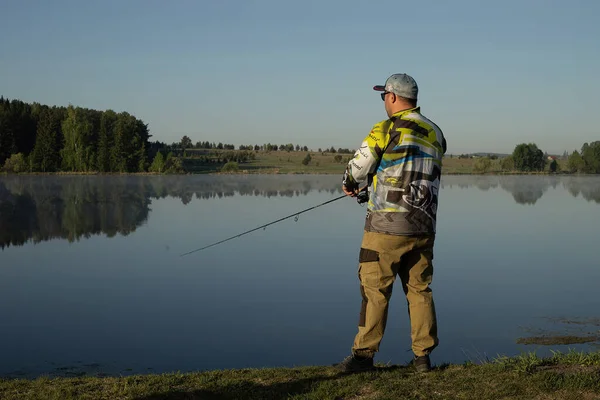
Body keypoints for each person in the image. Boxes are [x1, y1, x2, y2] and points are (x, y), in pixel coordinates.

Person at [335, 73, 447, 373]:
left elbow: (360, 165)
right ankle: (422, 358)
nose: (384, 101)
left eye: (384, 95)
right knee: (420, 289)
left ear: (394, 97)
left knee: (375, 290)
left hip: (385, 228)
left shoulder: (386, 128)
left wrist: (349, 183)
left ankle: (363, 357)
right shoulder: (436, 132)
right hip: (423, 226)